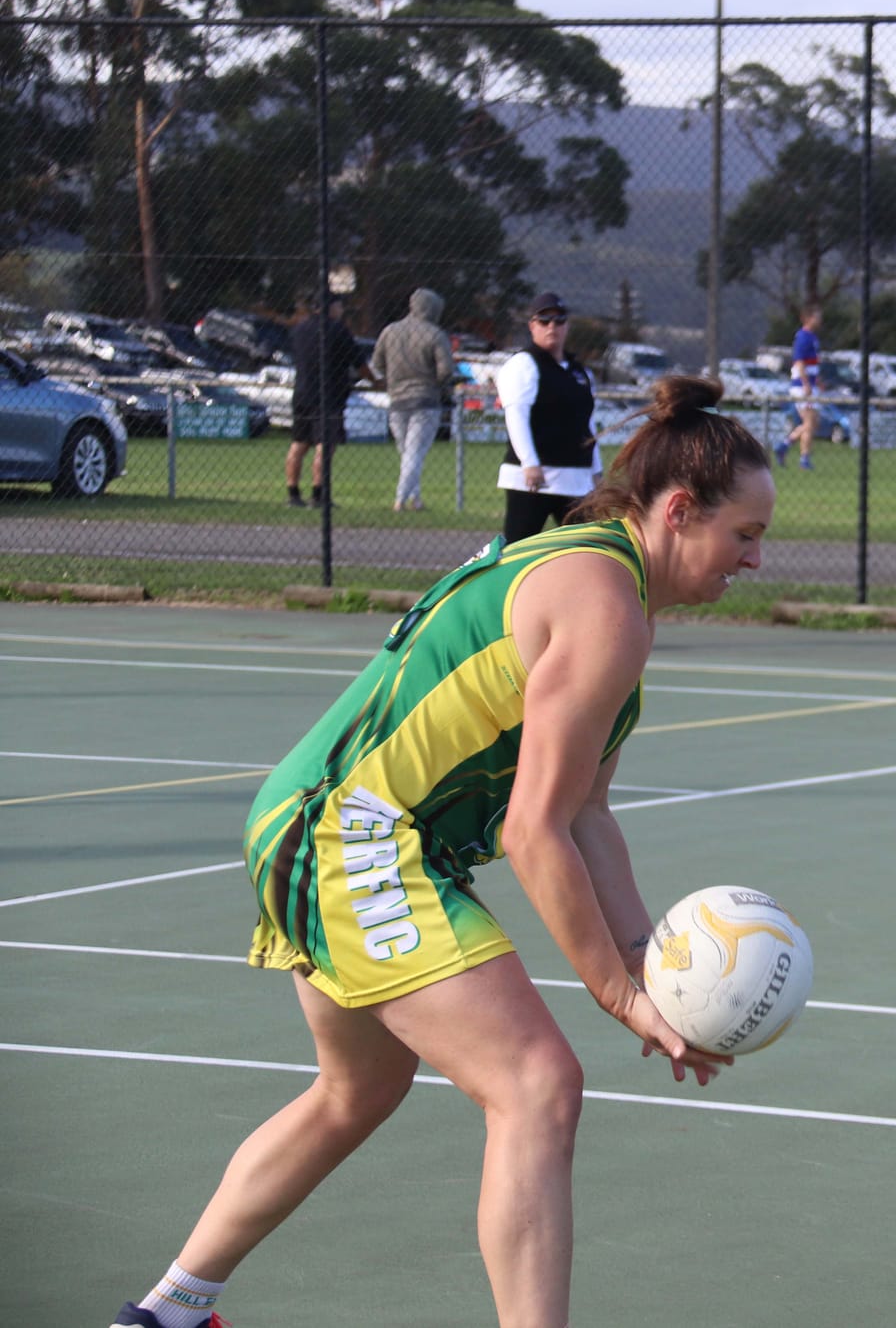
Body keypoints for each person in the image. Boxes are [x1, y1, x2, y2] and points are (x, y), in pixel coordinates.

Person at [108, 374, 774, 1328]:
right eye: (745, 535)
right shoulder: (605, 608)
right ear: (678, 511)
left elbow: (590, 813)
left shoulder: (605, 584)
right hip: (352, 836)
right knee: (538, 1084)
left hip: (330, 825)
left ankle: (167, 1311)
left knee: (358, 1090)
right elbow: (532, 830)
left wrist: (644, 964)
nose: (755, 558)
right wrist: (618, 995)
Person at [496, 292, 601, 544]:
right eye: (544, 320)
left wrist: (596, 470)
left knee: (585, 551)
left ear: (567, 326)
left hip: (575, 480)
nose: (552, 326)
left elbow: (587, 424)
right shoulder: (523, 364)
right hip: (533, 481)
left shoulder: (580, 372)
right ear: (532, 325)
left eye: (559, 320)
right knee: (519, 550)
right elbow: (516, 415)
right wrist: (529, 463)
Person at [370, 287, 456, 512]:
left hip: (397, 399)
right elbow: (446, 369)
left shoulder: (390, 331)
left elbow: (377, 363)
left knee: (406, 452)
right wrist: (436, 383)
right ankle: (400, 500)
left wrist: (393, 378)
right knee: (415, 453)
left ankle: (415, 499)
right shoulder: (435, 334)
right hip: (426, 400)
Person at [285, 294, 374, 509]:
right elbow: (358, 362)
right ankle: (319, 494)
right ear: (332, 307)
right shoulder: (337, 330)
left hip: (302, 393)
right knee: (324, 447)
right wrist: (375, 380)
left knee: (298, 444)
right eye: (340, 306)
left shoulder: (299, 329)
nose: (341, 310)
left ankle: (293, 493)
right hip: (329, 396)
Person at [780, 305, 822, 470]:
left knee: (813, 423)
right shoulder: (803, 337)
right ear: (809, 318)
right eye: (818, 316)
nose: (820, 319)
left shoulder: (813, 337)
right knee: (810, 422)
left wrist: (818, 380)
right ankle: (804, 459)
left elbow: (812, 363)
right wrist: (806, 384)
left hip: (811, 385)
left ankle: (784, 445)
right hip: (802, 386)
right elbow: (799, 362)